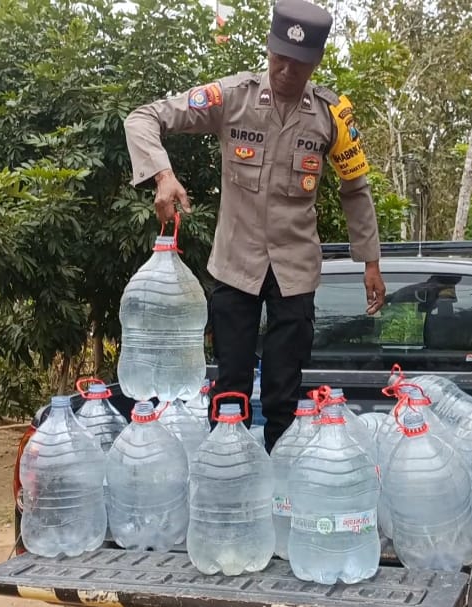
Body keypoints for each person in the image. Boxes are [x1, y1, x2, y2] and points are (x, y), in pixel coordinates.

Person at [123, 0, 386, 451]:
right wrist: (163, 175)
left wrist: (371, 262)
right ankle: (229, 471)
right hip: (235, 265)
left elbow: (355, 189)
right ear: (268, 48)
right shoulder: (232, 97)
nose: (286, 70)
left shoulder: (332, 115)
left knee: (285, 394)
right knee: (230, 389)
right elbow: (144, 117)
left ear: (316, 62)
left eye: (299, 63)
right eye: (279, 57)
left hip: (294, 271)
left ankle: (281, 475)